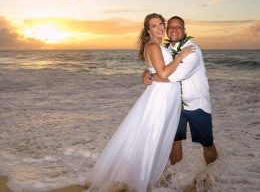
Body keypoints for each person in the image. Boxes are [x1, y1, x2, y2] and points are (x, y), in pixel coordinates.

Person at [84, 14, 195, 192]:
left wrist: (149, 74)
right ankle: (143, 180)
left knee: (157, 136)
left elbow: (157, 71)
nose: (159, 28)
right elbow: (165, 74)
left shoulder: (158, 46)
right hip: (161, 97)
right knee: (153, 137)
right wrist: (180, 56)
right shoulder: (153, 46)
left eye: (161, 24)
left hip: (165, 95)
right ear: (148, 30)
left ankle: (156, 176)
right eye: (154, 26)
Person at [143, 16, 217, 165]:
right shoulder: (167, 50)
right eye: (170, 26)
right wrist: (146, 71)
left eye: (178, 27)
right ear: (167, 30)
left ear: (184, 30)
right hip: (174, 104)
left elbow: (174, 76)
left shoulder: (192, 50)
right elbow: (157, 65)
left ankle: (211, 178)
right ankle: (176, 177)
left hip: (197, 104)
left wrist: (150, 76)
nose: (174, 29)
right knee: (174, 141)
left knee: (206, 143)